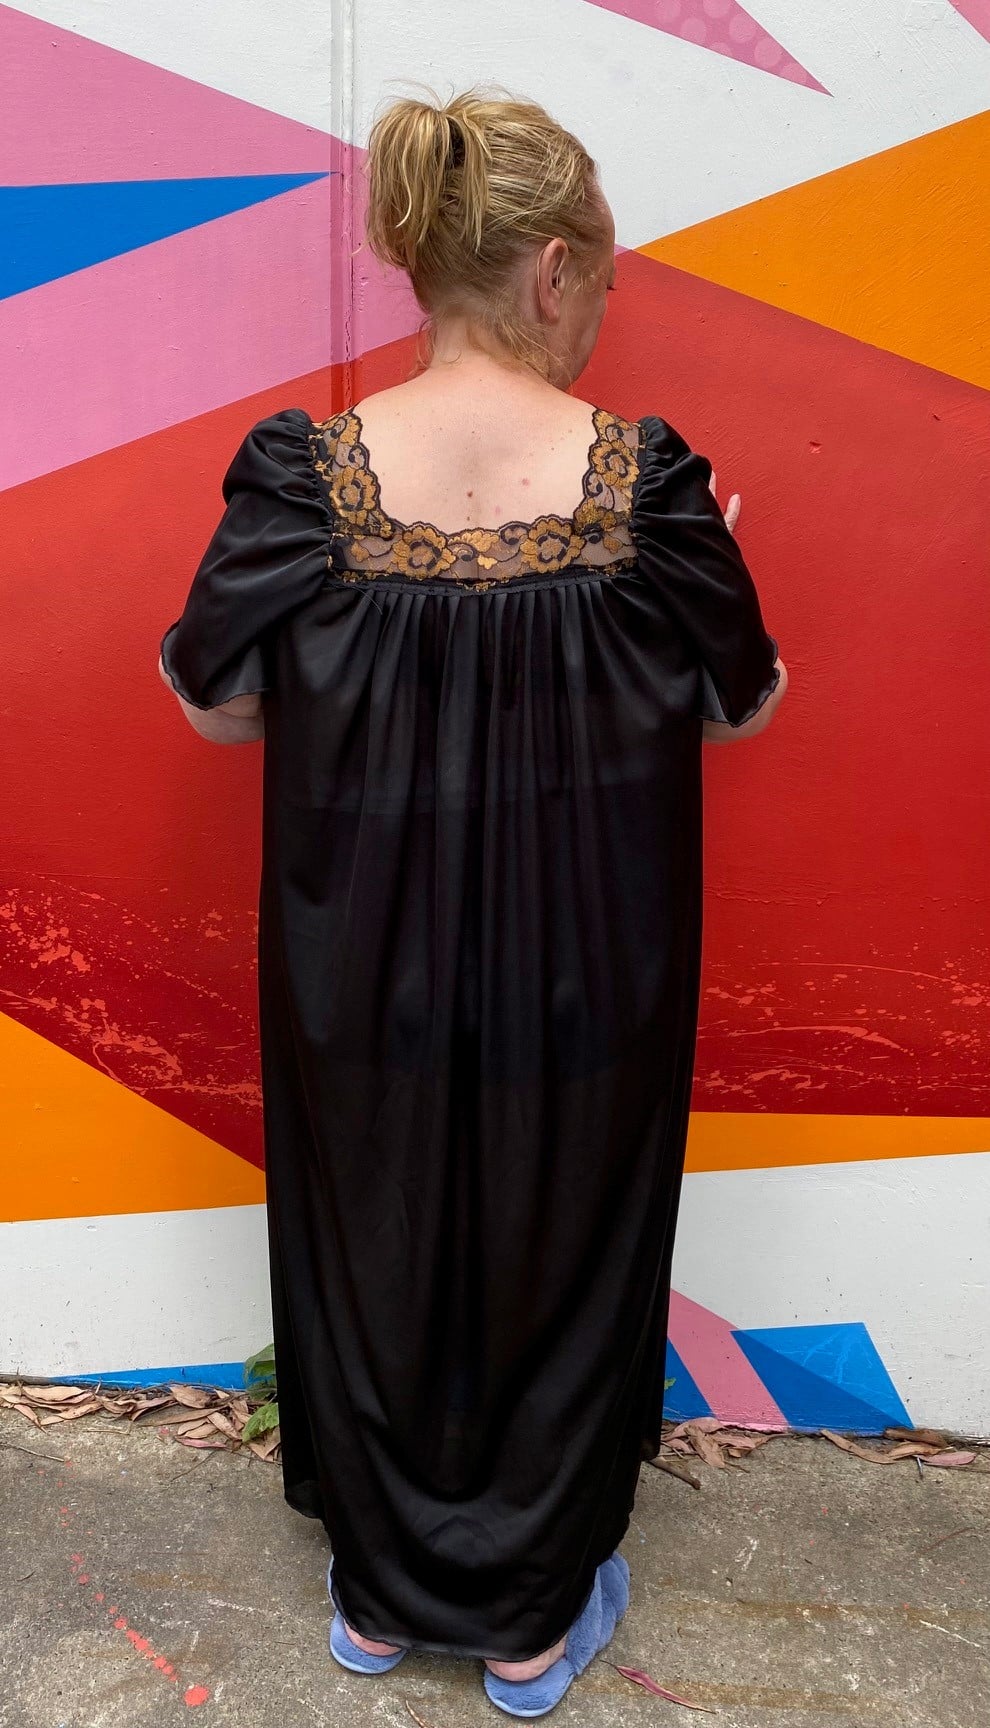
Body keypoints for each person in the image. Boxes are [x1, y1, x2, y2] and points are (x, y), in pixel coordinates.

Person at [158, 89, 787, 1719]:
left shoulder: (307, 477)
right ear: (555, 270)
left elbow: (214, 705)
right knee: (562, 1241)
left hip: (357, 965)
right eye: (607, 283)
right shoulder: (646, 485)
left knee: (372, 1235)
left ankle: (380, 1601)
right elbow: (740, 707)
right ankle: (523, 1623)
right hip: (588, 970)